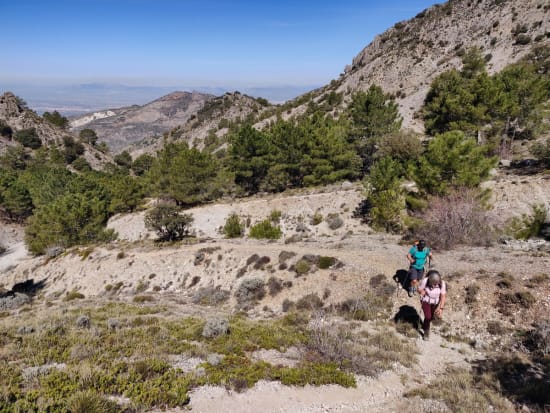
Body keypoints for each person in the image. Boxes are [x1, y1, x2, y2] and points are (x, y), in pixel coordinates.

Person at [417, 270, 446, 340]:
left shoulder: (442, 283)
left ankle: (425, 325)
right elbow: (419, 289)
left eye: (435, 284)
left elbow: (443, 296)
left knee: (431, 316)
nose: (434, 286)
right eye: (432, 284)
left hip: (435, 302)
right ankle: (426, 333)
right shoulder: (425, 281)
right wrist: (421, 291)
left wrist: (441, 308)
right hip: (425, 301)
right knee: (428, 316)